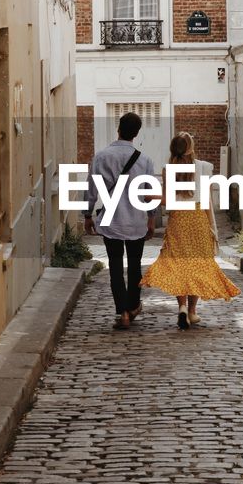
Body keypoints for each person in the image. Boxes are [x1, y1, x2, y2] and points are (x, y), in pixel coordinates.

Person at [141, 131, 240, 330]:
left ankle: (182, 308)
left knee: (179, 264)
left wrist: (150, 197)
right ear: (191, 147)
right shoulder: (204, 168)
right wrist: (213, 227)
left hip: (178, 220)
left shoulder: (168, 169)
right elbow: (207, 201)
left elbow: (169, 200)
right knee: (198, 264)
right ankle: (193, 312)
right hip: (197, 219)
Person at [85, 112, 157, 330]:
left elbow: (91, 189)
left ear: (118, 128)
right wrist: (152, 218)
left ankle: (122, 312)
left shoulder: (101, 157)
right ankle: (133, 306)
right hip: (136, 220)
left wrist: (87, 215)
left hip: (111, 221)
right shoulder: (144, 160)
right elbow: (149, 193)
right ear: (136, 134)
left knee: (115, 266)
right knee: (135, 266)